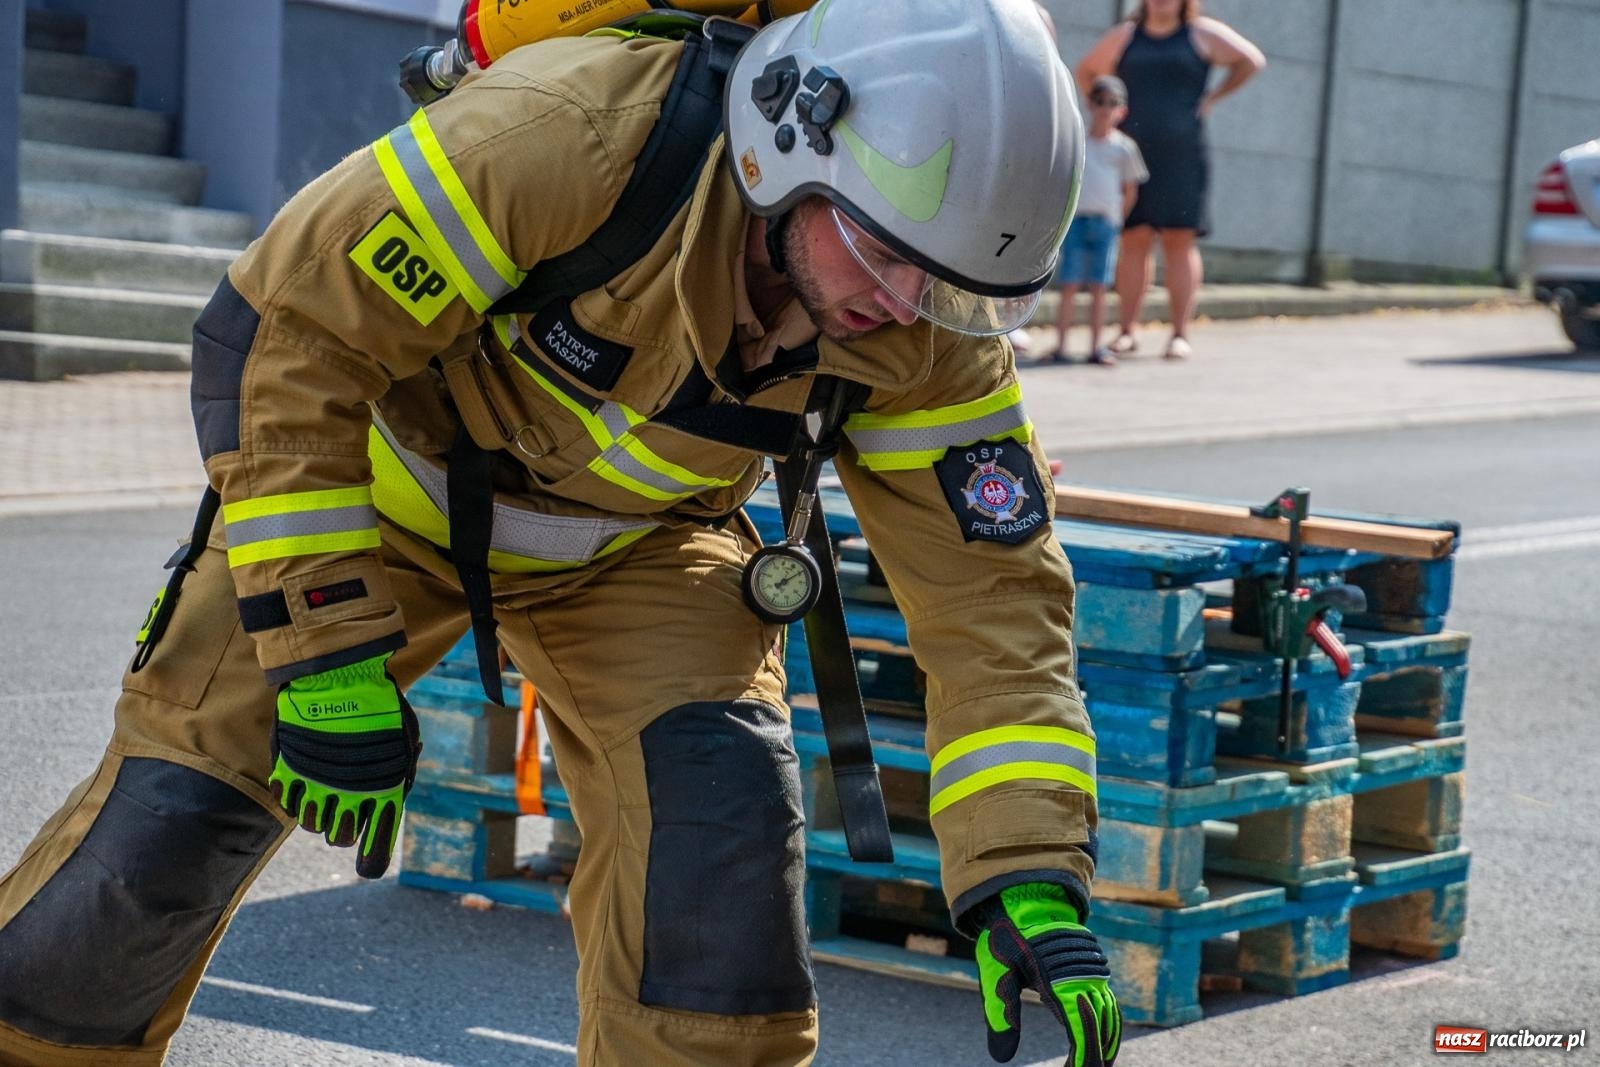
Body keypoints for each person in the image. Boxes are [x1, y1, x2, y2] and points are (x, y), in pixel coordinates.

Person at [0, 2, 1122, 1066]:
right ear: (787, 150)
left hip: (643, 551)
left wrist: (1025, 866)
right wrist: (325, 648)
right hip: (381, 502)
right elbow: (283, 338)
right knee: (165, 833)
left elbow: (993, 601)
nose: (908, 303)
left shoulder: (920, 310)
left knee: (716, 862)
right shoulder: (571, 137)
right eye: (886, 257)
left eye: (952, 287)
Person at [1077, 0, 1264, 360]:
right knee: (1134, 238)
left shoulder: (1201, 33)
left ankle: (1180, 333)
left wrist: (1212, 98)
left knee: (1180, 239)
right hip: (1132, 153)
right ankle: (1128, 331)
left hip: (1182, 153)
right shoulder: (1125, 36)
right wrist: (1103, 112)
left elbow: (1251, 60)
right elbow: (1086, 70)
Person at [1048, 75, 1148, 366]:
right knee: (1068, 285)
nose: (1105, 109)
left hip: (1105, 223)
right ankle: (1062, 346)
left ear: (1122, 111)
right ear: (1090, 105)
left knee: (1099, 287)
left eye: (1112, 104)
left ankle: (1095, 347)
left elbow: (1131, 188)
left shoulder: (1124, 148)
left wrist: (1118, 218)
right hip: (1076, 221)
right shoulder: (1078, 140)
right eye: (1100, 102)